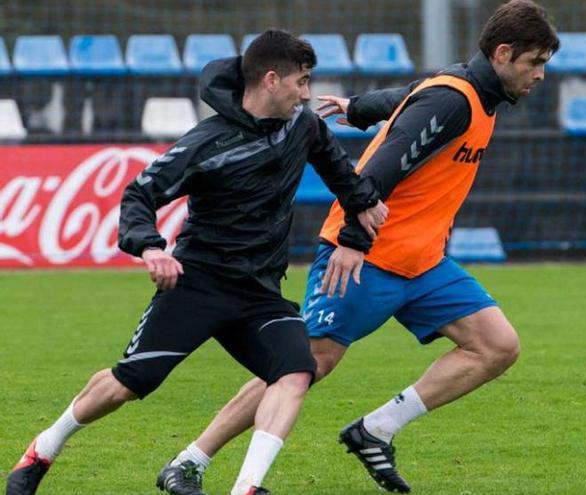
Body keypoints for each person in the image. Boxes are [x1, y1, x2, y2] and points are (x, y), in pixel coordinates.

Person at [157, 1, 560, 493]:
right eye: (534, 62)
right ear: (502, 53)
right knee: (301, 366)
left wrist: (357, 108)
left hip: (423, 261)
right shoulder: (454, 100)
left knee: (497, 346)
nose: (540, 74)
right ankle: (191, 460)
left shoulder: (471, 91)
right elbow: (376, 171)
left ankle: (376, 430)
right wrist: (352, 239)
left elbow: (408, 97)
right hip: (366, 254)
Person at [5, 29, 388, 495]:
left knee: (296, 371)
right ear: (271, 79)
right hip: (197, 284)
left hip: (260, 292)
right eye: (301, 82)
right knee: (129, 383)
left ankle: (247, 487)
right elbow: (139, 195)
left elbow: (340, 173)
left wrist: (364, 203)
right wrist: (150, 247)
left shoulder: (303, 127)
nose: (307, 93)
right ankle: (41, 450)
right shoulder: (206, 142)